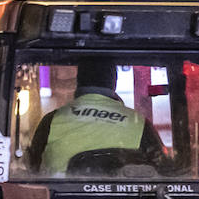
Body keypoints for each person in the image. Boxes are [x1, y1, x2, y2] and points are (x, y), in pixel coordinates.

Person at [26, 60, 166, 175]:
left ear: (78, 81)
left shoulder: (52, 120)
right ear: (113, 82)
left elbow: (32, 170)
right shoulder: (139, 123)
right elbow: (162, 171)